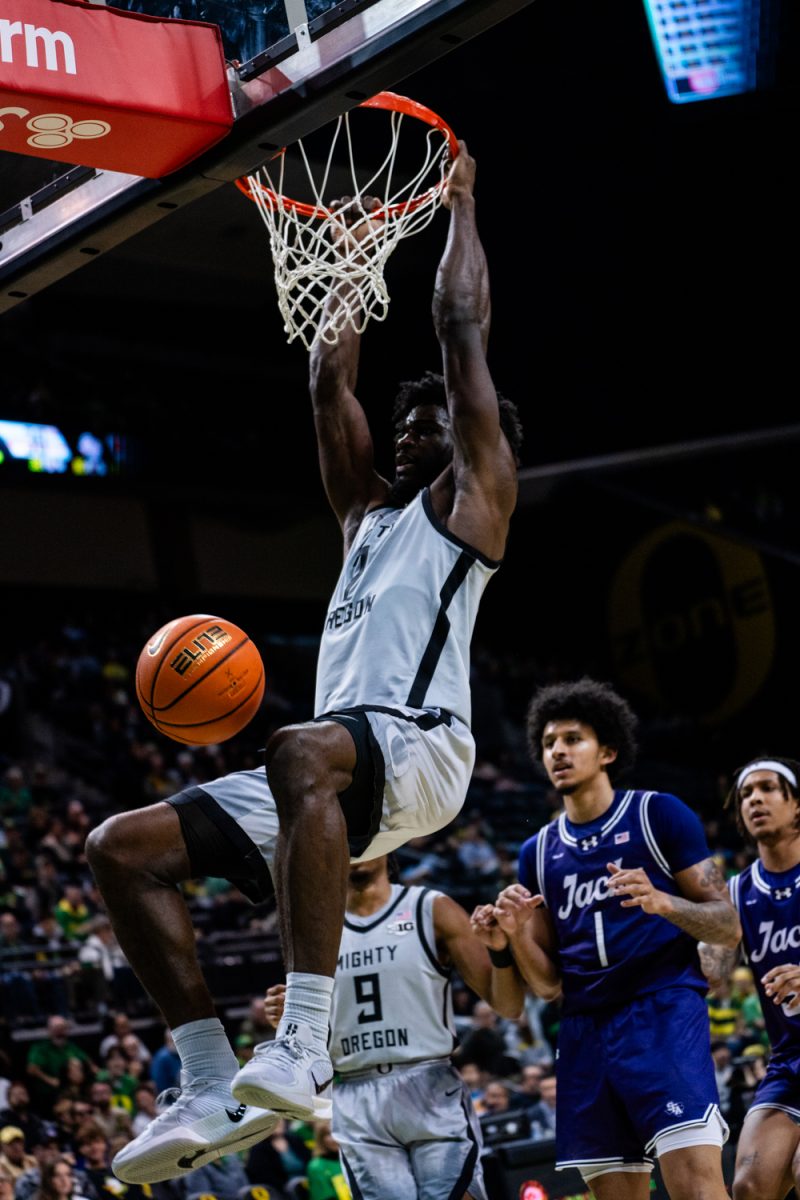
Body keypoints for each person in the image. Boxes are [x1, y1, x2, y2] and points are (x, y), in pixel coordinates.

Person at [85, 140, 522, 1184]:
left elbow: (462, 336)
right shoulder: (364, 520)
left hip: (421, 753)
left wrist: (457, 207)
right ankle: (204, 1080)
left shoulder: (473, 504)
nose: (414, 430)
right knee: (119, 847)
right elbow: (330, 383)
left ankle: (304, 1039)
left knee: (299, 749)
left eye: (432, 422)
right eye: (407, 421)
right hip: (333, 765)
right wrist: (349, 262)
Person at [492, 677, 741, 1200]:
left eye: (572, 739)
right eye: (548, 743)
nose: (557, 750)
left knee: (696, 1186)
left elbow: (727, 922)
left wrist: (663, 902)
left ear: (607, 751)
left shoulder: (658, 814)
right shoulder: (536, 853)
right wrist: (516, 936)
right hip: (584, 1032)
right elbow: (546, 986)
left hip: (662, 1012)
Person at [263, 853, 526, 1200]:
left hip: (427, 1080)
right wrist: (289, 1023)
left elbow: (508, 1006)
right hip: (356, 1091)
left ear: (390, 842)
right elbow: (317, 1041)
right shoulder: (314, 929)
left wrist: (501, 953)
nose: (357, 851)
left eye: (366, 839)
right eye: (346, 842)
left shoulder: (433, 909)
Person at [699, 756, 800, 1199]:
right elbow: (712, 977)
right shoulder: (737, 892)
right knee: (749, 1187)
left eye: (768, 788)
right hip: (789, 1058)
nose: (755, 799)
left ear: (796, 804)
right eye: (745, 794)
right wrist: (685, 912)